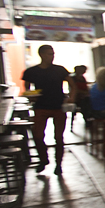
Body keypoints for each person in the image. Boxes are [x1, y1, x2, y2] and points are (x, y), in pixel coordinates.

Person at [22, 45, 76, 175]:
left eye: (52, 54)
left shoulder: (59, 70)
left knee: (59, 137)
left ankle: (58, 164)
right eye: (48, 54)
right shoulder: (32, 71)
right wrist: (31, 95)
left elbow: (72, 85)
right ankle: (43, 159)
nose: (51, 57)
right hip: (41, 106)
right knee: (38, 135)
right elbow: (26, 86)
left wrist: (71, 98)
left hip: (58, 106)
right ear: (41, 55)